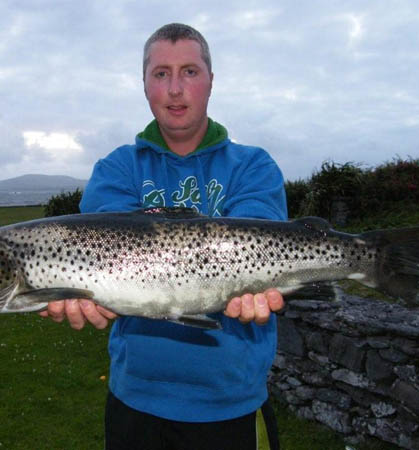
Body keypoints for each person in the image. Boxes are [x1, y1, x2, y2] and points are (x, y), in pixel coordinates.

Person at [40, 23, 288, 450]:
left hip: (232, 403)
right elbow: (98, 250)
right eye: (161, 74)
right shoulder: (116, 168)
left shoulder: (254, 166)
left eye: (190, 71)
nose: (175, 89)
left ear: (211, 81)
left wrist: (254, 289)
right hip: (134, 402)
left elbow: (257, 235)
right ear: (144, 85)